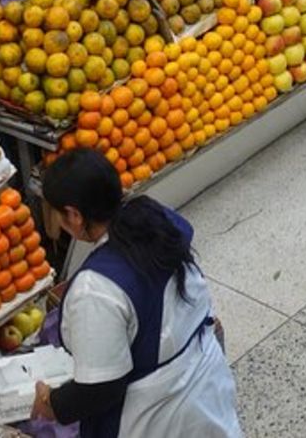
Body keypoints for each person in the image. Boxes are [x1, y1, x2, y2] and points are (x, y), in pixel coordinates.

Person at [30, 148, 242, 437]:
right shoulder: (154, 218)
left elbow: (101, 389)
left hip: (157, 415)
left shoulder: (96, 288)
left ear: (74, 215)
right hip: (205, 383)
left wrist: (54, 404)